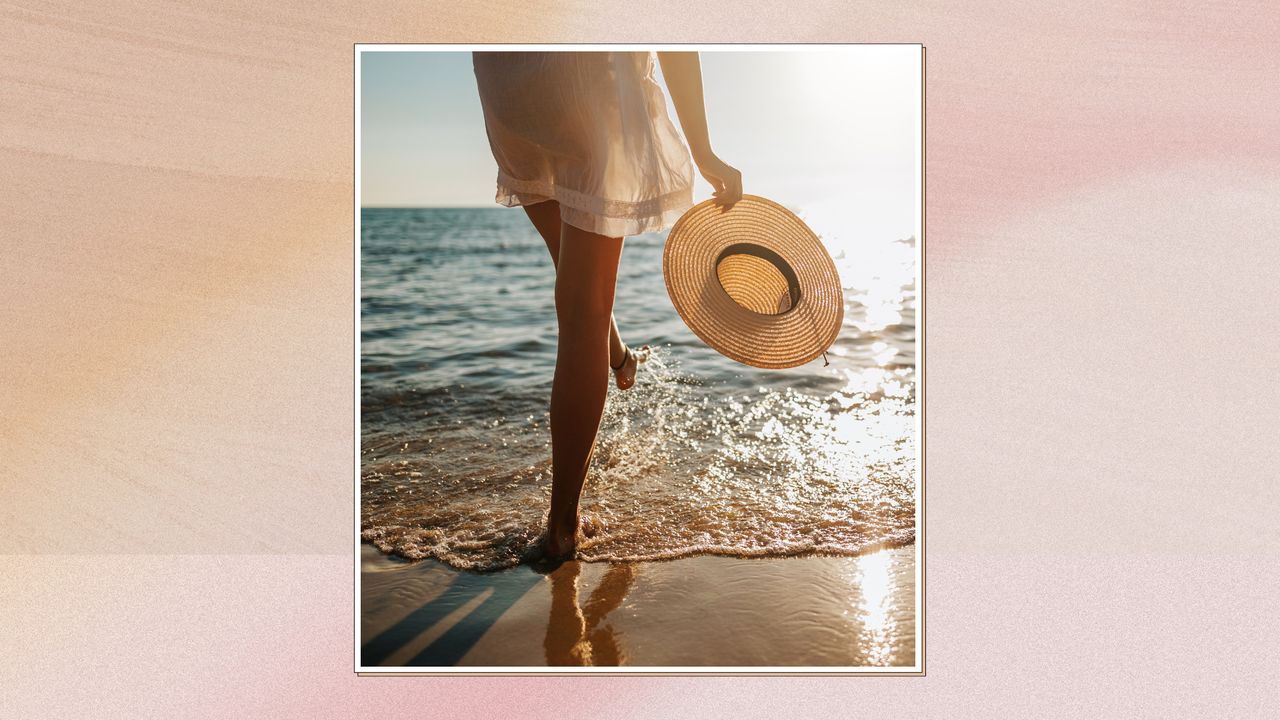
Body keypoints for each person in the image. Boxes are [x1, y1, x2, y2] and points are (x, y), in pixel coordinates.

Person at [473, 50, 742, 558]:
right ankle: (563, 527)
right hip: (588, 82)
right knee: (583, 312)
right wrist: (703, 151)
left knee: (572, 274)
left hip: (510, 85)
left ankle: (617, 354)